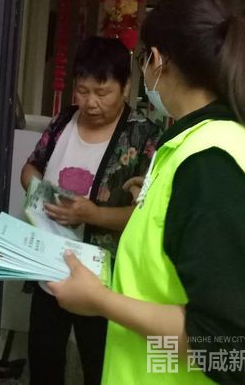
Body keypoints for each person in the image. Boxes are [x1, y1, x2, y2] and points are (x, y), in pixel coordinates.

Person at [48, 0, 245, 384]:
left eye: (143, 59)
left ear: (158, 61)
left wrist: (100, 301)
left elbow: (236, 348)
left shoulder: (213, 166)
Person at [21, 36, 162, 385]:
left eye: (102, 92)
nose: (90, 102)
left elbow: (148, 215)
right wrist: (44, 195)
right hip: (50, 267)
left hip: (105, 281)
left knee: (99, 366)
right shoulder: (64, 121)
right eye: (83, 91)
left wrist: (91, 215)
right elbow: (31, 168)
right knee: (44, 361)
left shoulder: (144, 136)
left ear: (125, 87)